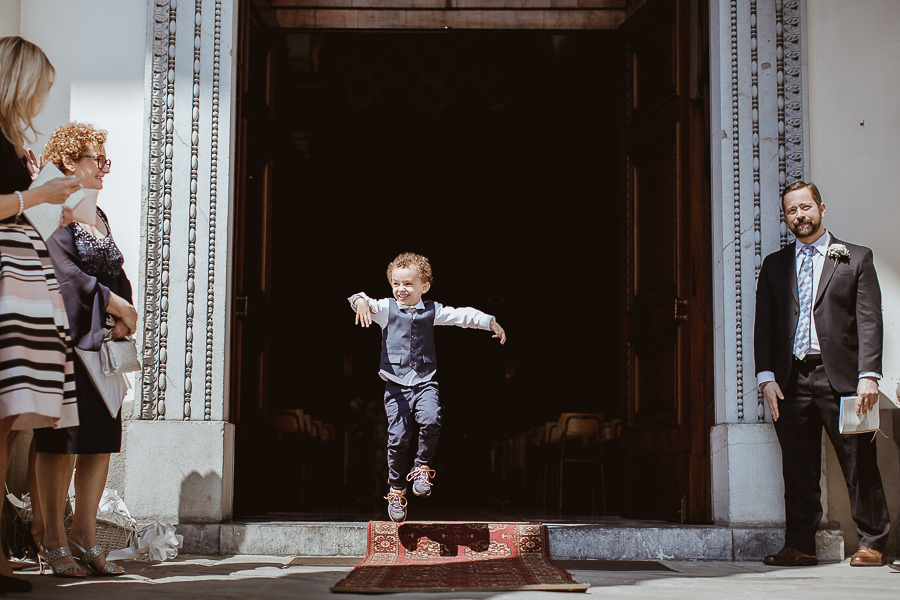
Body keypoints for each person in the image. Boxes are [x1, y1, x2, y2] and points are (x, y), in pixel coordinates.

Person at [754, 181, 890, 567]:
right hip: (792, 380)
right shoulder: (775, 265)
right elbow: (764, 325)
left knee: (859, 463)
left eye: (805, 207)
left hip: (844, 379)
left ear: (821, 208)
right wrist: (766, 378)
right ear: (786, 218)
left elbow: (869, 321)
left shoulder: (856, 258)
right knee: (797, 467)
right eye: (791, 211)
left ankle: (873, 542)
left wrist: (869, 374)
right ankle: (799, 545)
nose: (799, 215)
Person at [30, 122, 137, 577]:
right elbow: (64, 274)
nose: (104, 169)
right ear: (70, 162)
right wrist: (116, 305)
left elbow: (115, 269)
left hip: (102, 345)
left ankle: (84, 536)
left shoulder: (100, 215)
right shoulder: (52, 209)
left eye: (105, 161)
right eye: (98, 160)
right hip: (65, 343)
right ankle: (51, 541)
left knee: (99, 443)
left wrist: (121, 319)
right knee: (61, 443)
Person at [0, 35, 87, 589]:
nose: (39, 104)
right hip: (6, 284)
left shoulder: (11, 141)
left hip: (19, 285)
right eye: (39, 91)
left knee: (8, 429)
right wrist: (39, 195)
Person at [349, 252, 506, 522]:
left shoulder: (433, 310)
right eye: (396, 284)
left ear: (425, 287)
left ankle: (422, 465)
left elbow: (461, 316)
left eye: (409, 284)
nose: (401, 289)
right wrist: (361, 302)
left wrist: (489, 321)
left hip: (424, 380)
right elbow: (357, 298)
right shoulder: (386, 309)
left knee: (432, 419)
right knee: (398, 439)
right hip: (396, 385)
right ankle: (397, 488)